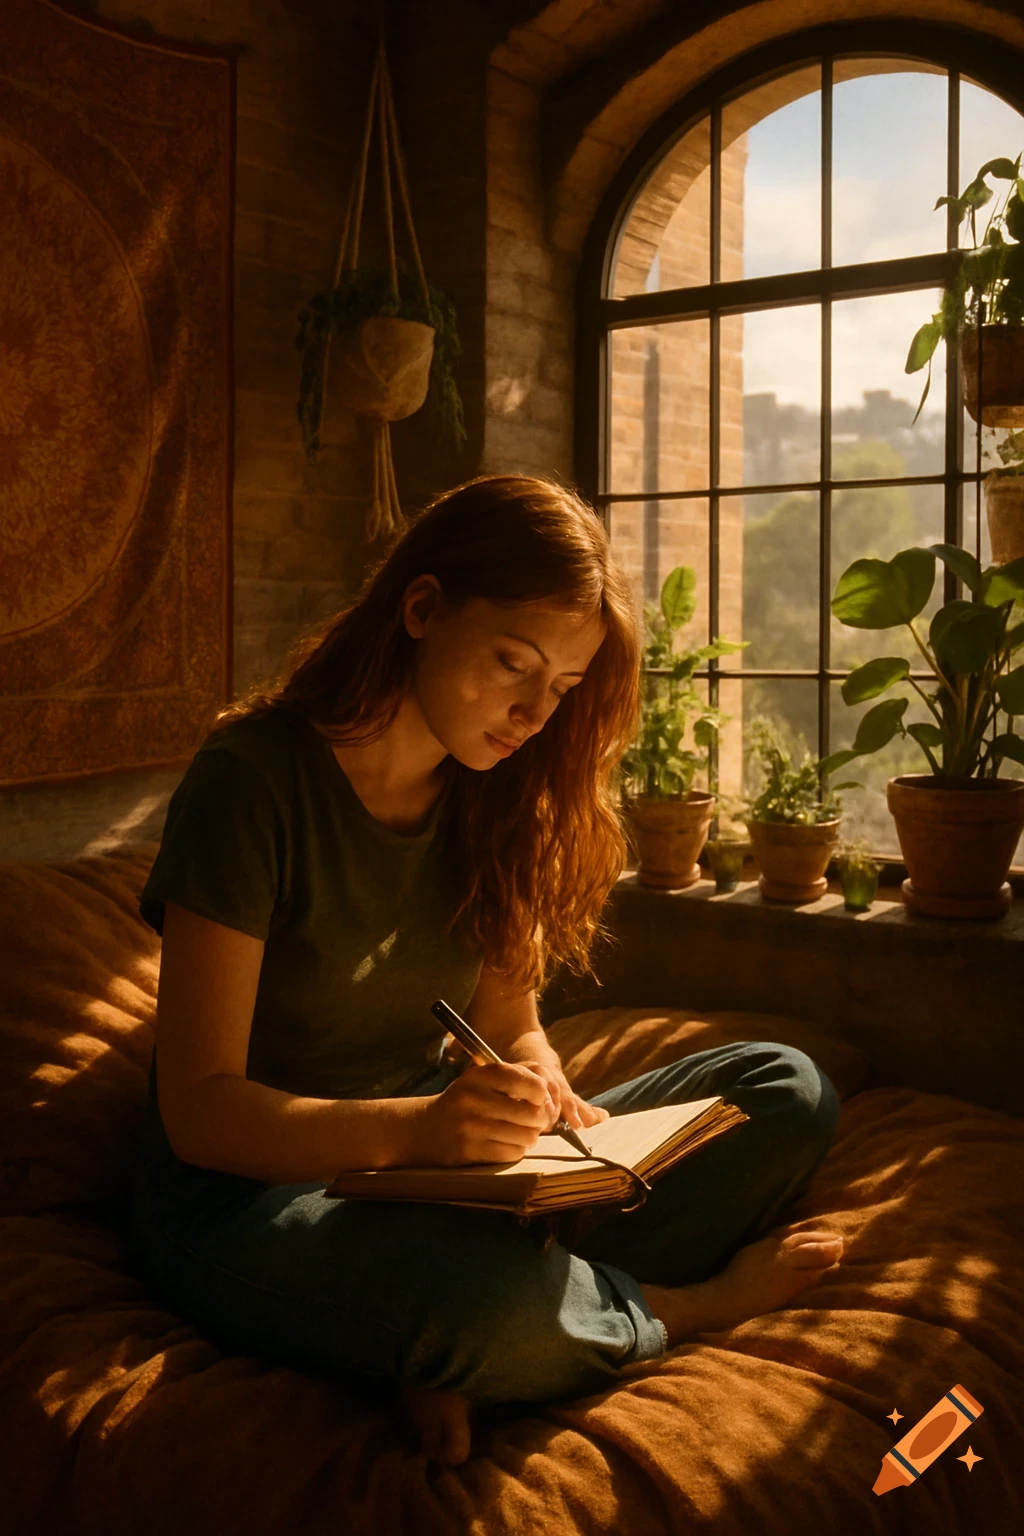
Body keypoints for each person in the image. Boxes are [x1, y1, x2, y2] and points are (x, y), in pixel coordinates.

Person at [128, 473, 844, 1469]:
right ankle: (669, 1308)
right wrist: (421, 1128)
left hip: (442, 1176)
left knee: (784, 1089)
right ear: (422, 609)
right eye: (514, 664)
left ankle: (468, 1332)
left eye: (562, 688)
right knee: (486, 1302)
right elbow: (199, 1112)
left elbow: (510, 1021)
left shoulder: (495, 787)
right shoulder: (250, 781)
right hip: (253, 1195)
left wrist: (542, 1083)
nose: (532, 713)